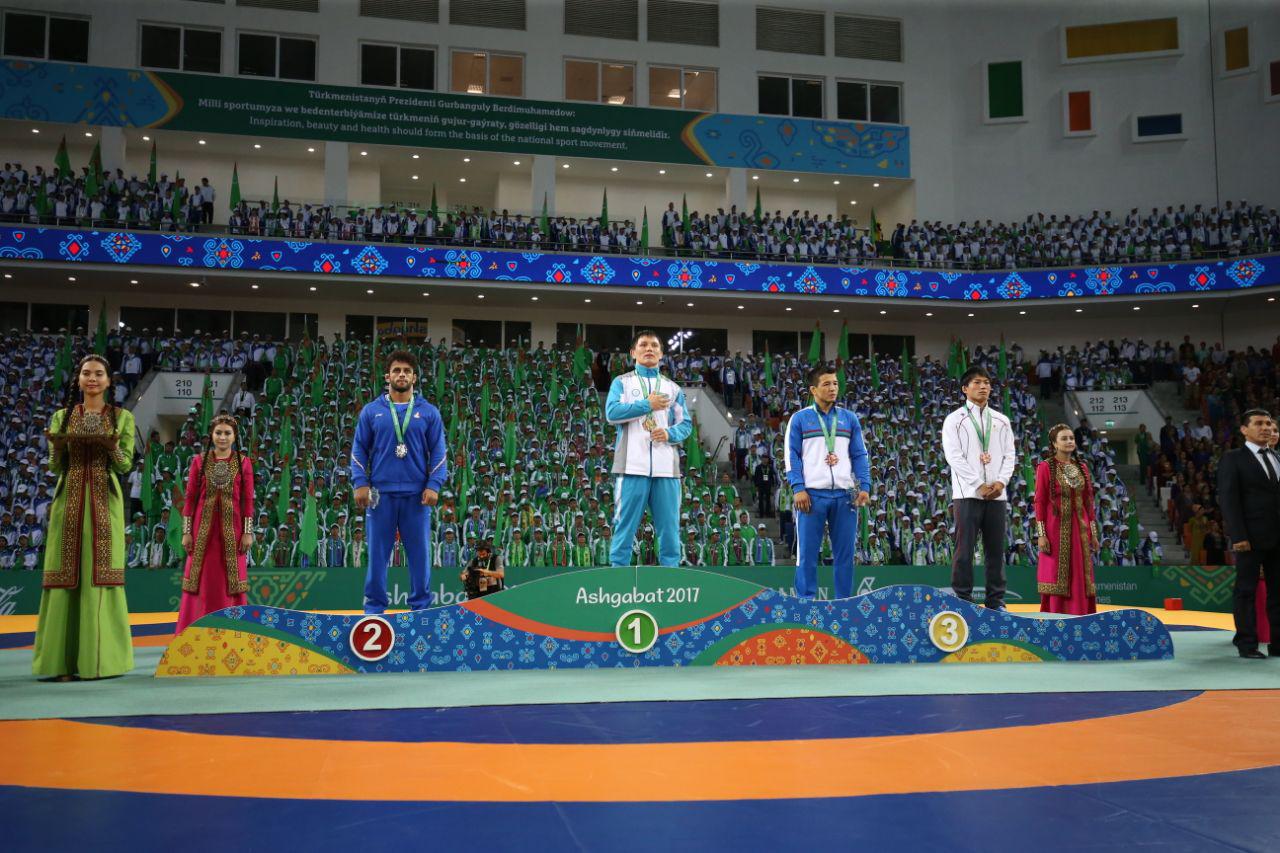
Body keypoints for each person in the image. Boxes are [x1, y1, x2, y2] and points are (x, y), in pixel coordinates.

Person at [32, 355, 136, 681]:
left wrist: (111, 446)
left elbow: (124, 465)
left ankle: (100, 664)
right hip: (69, 504)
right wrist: (57, 447)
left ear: (109, 381)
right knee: (63, 576)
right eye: (86, 373)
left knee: (101, 576)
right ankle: (59, 665)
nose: (92, 378)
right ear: (78, 379)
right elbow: (54, 466)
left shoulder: (122, 417)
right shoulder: (61, 417)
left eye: (99, 374)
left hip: (105, 503)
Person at [351, 350, 448, 613]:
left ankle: (421, 610)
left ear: (414, 377)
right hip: (379, 494)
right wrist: (360, 482)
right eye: (396, 370)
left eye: (407, 371)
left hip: (417, 496)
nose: (401, 375)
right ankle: (374, 611)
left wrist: (434, 485)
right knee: (377, 556)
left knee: (419, 557)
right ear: (387, 376)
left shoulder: (428, 412)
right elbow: (358, 449)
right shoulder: (372, 411)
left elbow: (439, 452)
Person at [604, 330, 692, 567]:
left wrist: (669, 434)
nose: (649, 349)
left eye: (654, 345)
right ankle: (618, 574)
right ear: (633, 352)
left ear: (661, 354)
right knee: (625, 525)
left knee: (670, 527)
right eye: (643, 345)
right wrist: (647, 404)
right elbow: (612, 413)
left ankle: (670, 576)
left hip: (667, 470)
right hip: (631, 467)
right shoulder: (622, 383)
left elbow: (685, 424)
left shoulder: (673, 388)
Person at [785, 364, 871, 599]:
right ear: (813, 390)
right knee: (807, 554)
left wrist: (864, 486)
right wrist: (798, 487)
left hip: (845, 495)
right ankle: (806, 602)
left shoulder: (849, 419)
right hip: (811, 496)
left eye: (835, 383)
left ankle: (844, 603)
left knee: (846, 555)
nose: (833, 388)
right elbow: (791, 456)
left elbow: (859, 454)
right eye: (826, 384)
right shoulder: (800, 419)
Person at [942, 365, 1016, 610]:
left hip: (997, 495)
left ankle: (996, 601)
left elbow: (1009, 455)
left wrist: (1001, 482)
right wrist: (978, 484)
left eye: (986, 382)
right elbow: (954, 456)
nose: (983, 386)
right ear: (965, 388)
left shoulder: (1002, 420)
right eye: (976, 382)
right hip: (967, 494)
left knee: (995, 551)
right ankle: (963, 599)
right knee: (964, 549)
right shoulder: (954, 420)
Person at [175, 414, 255, 634]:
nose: (222, 437)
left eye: (227, 433)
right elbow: (190, 498)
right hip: (202, 533)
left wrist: (247, 532)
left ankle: (231, 633)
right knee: (200, 580)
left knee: (230, 582)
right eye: (218, 432)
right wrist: (186, 532)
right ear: (211, 435)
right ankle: (194, 633)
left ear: (235, 436)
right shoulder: (199, 461)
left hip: (233, 533)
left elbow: (248, 500)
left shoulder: (244, 463)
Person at [1216, 409, 1280, 658]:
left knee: (1278, 593)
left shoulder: (1276, 457)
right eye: (1259, 423)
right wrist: (1238, 535)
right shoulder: (1233, 458)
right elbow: (1229, 499)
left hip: (1277, 537)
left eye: (1268, 423)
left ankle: (1278, 643)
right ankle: (1247, 644)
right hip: (1249, 538)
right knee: (1245, 591)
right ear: (1244, 429)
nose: (1266, 428)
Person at [1034, 423, 1099, 615]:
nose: (1069, 441)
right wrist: (1041, 534)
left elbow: (1089, 502)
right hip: (1055, 531)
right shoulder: (1045, 467)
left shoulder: (1082, 468)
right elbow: (1039, 501)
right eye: (1064, 438)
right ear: (1054, 444)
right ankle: (1056, 616)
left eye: (1071, 438)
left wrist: (1093, 534)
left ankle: (1082, 615)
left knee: (1080, 572)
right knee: (1056, 574)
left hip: (1080, 532)